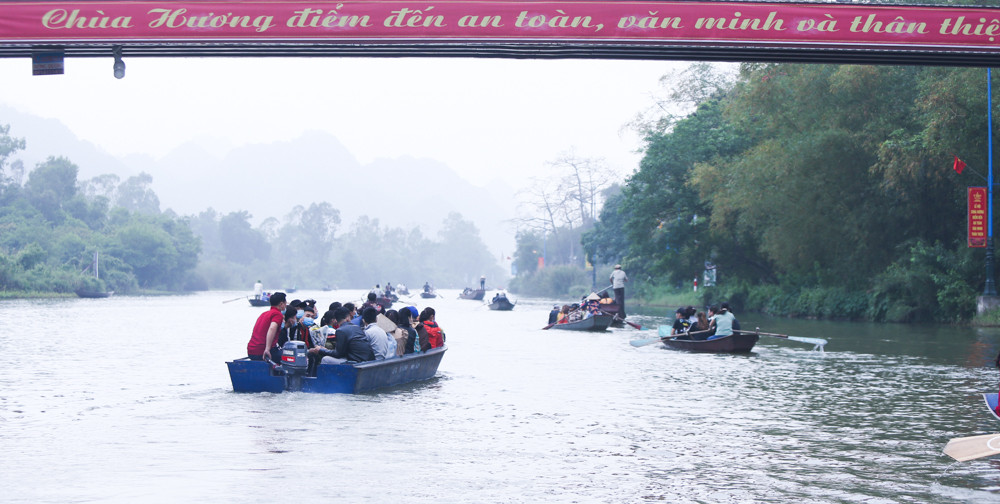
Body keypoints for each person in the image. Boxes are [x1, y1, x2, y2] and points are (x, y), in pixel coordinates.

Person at [308, 308, 374, 364]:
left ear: (336, 320)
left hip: (357, 362)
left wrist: (321, 350)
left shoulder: (340, 330)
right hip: (368, 360)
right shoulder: (357, 327)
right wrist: (326, 350)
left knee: (325, 359)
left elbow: (338, 354)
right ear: (348, 318)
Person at [246, 292, 287, 361]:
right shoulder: (277, 314)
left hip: (251, 351)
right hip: (262, 351)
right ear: (281, 304)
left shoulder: (264, 314)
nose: (286, 305)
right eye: (285, 303)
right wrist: (267, 349)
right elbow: (272, 328)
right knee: (290, 357)